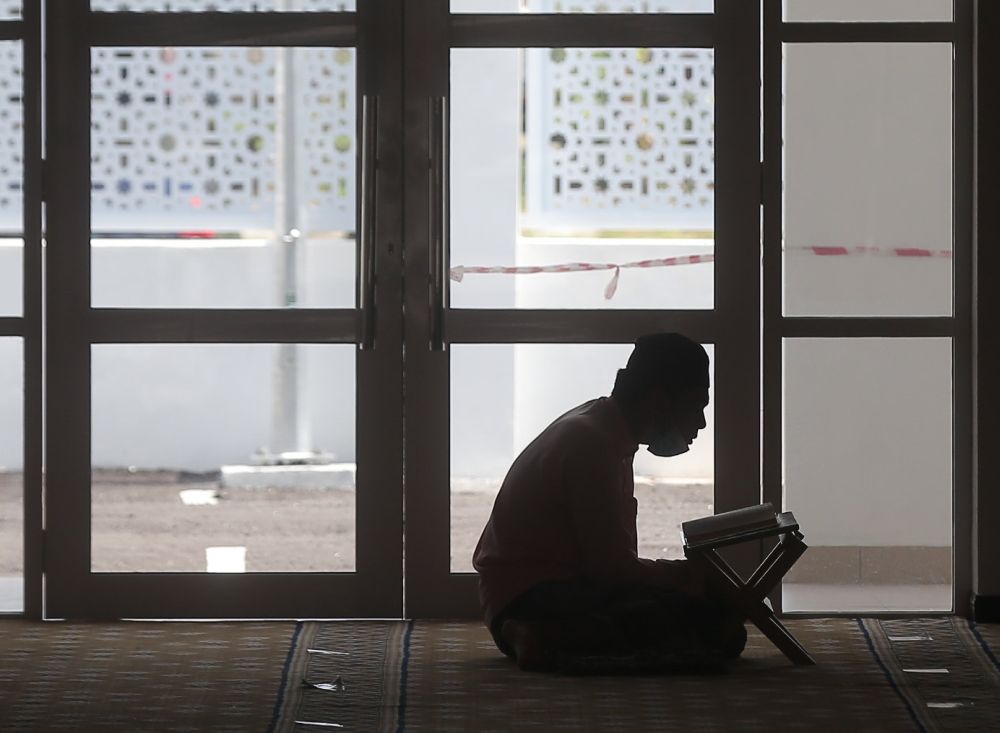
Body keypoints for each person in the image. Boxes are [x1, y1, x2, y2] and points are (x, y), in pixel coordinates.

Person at [472, 333, 746, 673]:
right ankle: (543, 633)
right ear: (659, 402)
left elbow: (614, 566)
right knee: (711, 627)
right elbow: (611, 571)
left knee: (709, 619)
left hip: (537, 592)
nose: (701, 423)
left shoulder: (606, 430)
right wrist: (692, 576)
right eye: (695, 407)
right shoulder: (593, 446)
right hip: (536, 597)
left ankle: (542, 635)